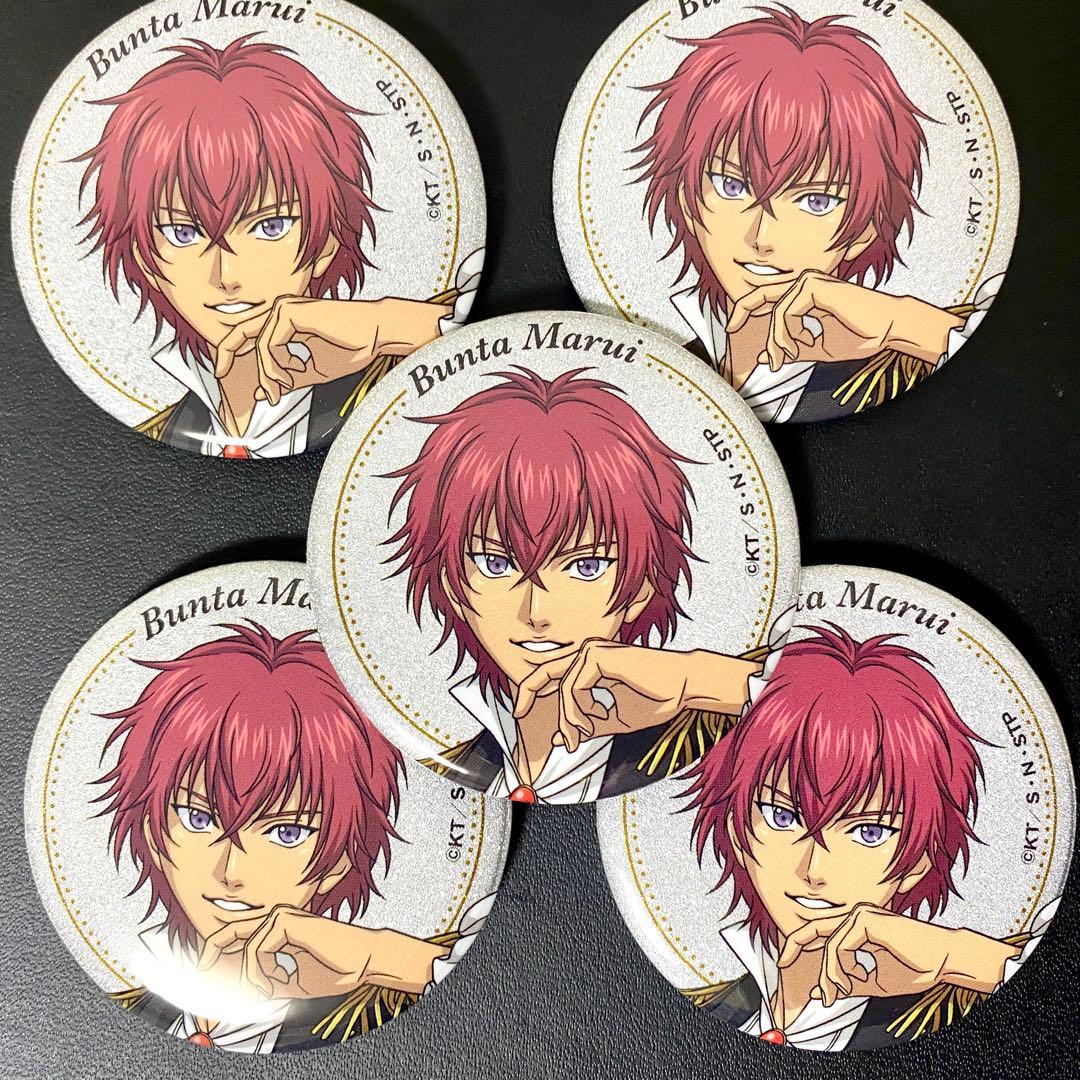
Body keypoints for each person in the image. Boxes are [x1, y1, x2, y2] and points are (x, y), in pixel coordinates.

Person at [94, 622, 488, 1053]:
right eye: (198, 818)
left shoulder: (381, 992)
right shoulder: (133, 988)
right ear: (153, 833)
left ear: (341, 859)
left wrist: (379, 958)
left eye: (286, 832)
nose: (230, 872)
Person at [77, 36, 480, 457]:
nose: (226, 277)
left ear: (327, 241)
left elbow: (493, 341)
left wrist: (385, 327)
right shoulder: (162, 426)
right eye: (184, 233)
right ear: (146, 259)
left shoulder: (401, 358)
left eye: (269, 226)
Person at [386, 366, 772, 804]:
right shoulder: (449, 759)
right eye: (496, 564)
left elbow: (818, 705)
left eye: (585, 566)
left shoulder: (705, 726)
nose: (535, 613)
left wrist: (696, 679)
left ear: (643, 586)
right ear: (451, 583)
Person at [684, 624, 1057, 1050]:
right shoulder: (710, 988)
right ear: (736, 829)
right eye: (782, 816)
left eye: (868, 831)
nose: (814, 870)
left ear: (920, 859)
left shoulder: (956, 990)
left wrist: (957, 958)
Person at [635, 6, 999, 422]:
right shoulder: (655, 361)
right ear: (686, 198)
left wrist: (900, 323)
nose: (762, 237)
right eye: (732, 186)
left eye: (816, 202)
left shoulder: (908, 351)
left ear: (866, 228)